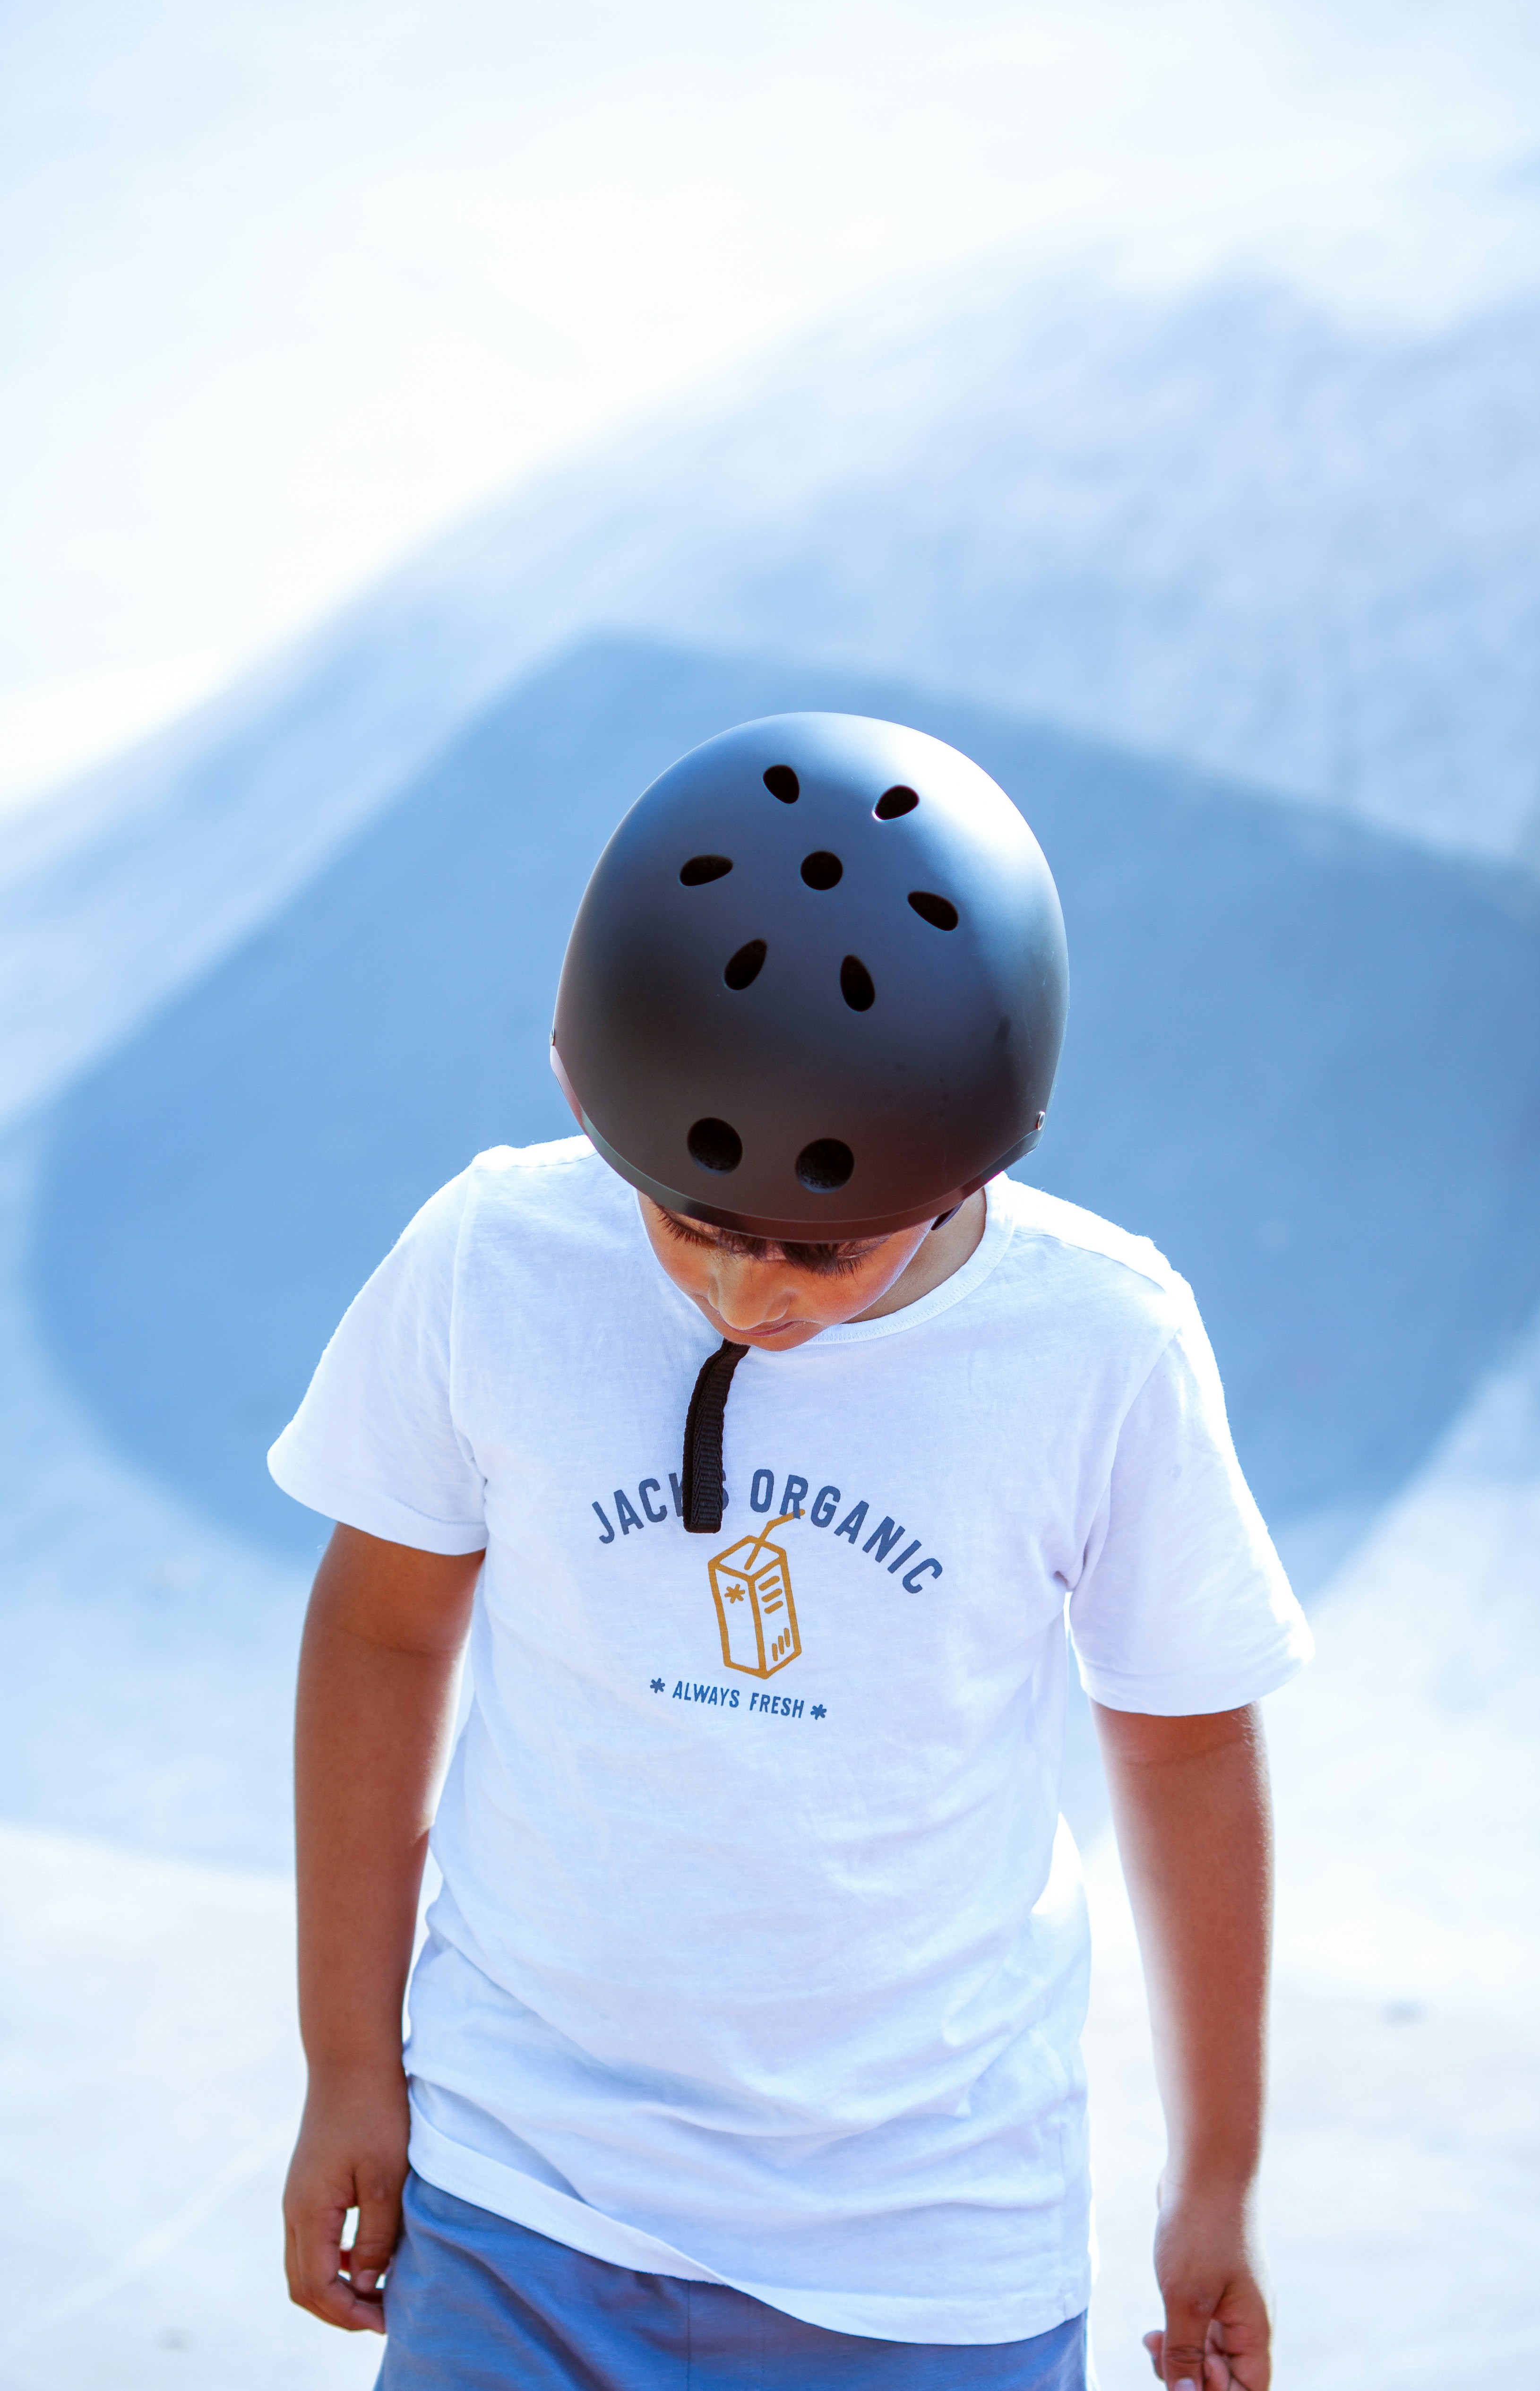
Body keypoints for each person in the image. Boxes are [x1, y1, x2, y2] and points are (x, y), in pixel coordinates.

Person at [272, 712, 1310, 2390]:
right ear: (578, 1080)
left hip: (925, 2252)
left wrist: (1216, 2182)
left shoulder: (1095, 1345)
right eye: (695, 1225)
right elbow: (384, 1634)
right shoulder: (493, 1263)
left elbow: (1186, 1751)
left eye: (825, 1252)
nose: (755, 1297)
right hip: (521, 2189)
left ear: (980, 1144)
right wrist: (346, 2064)